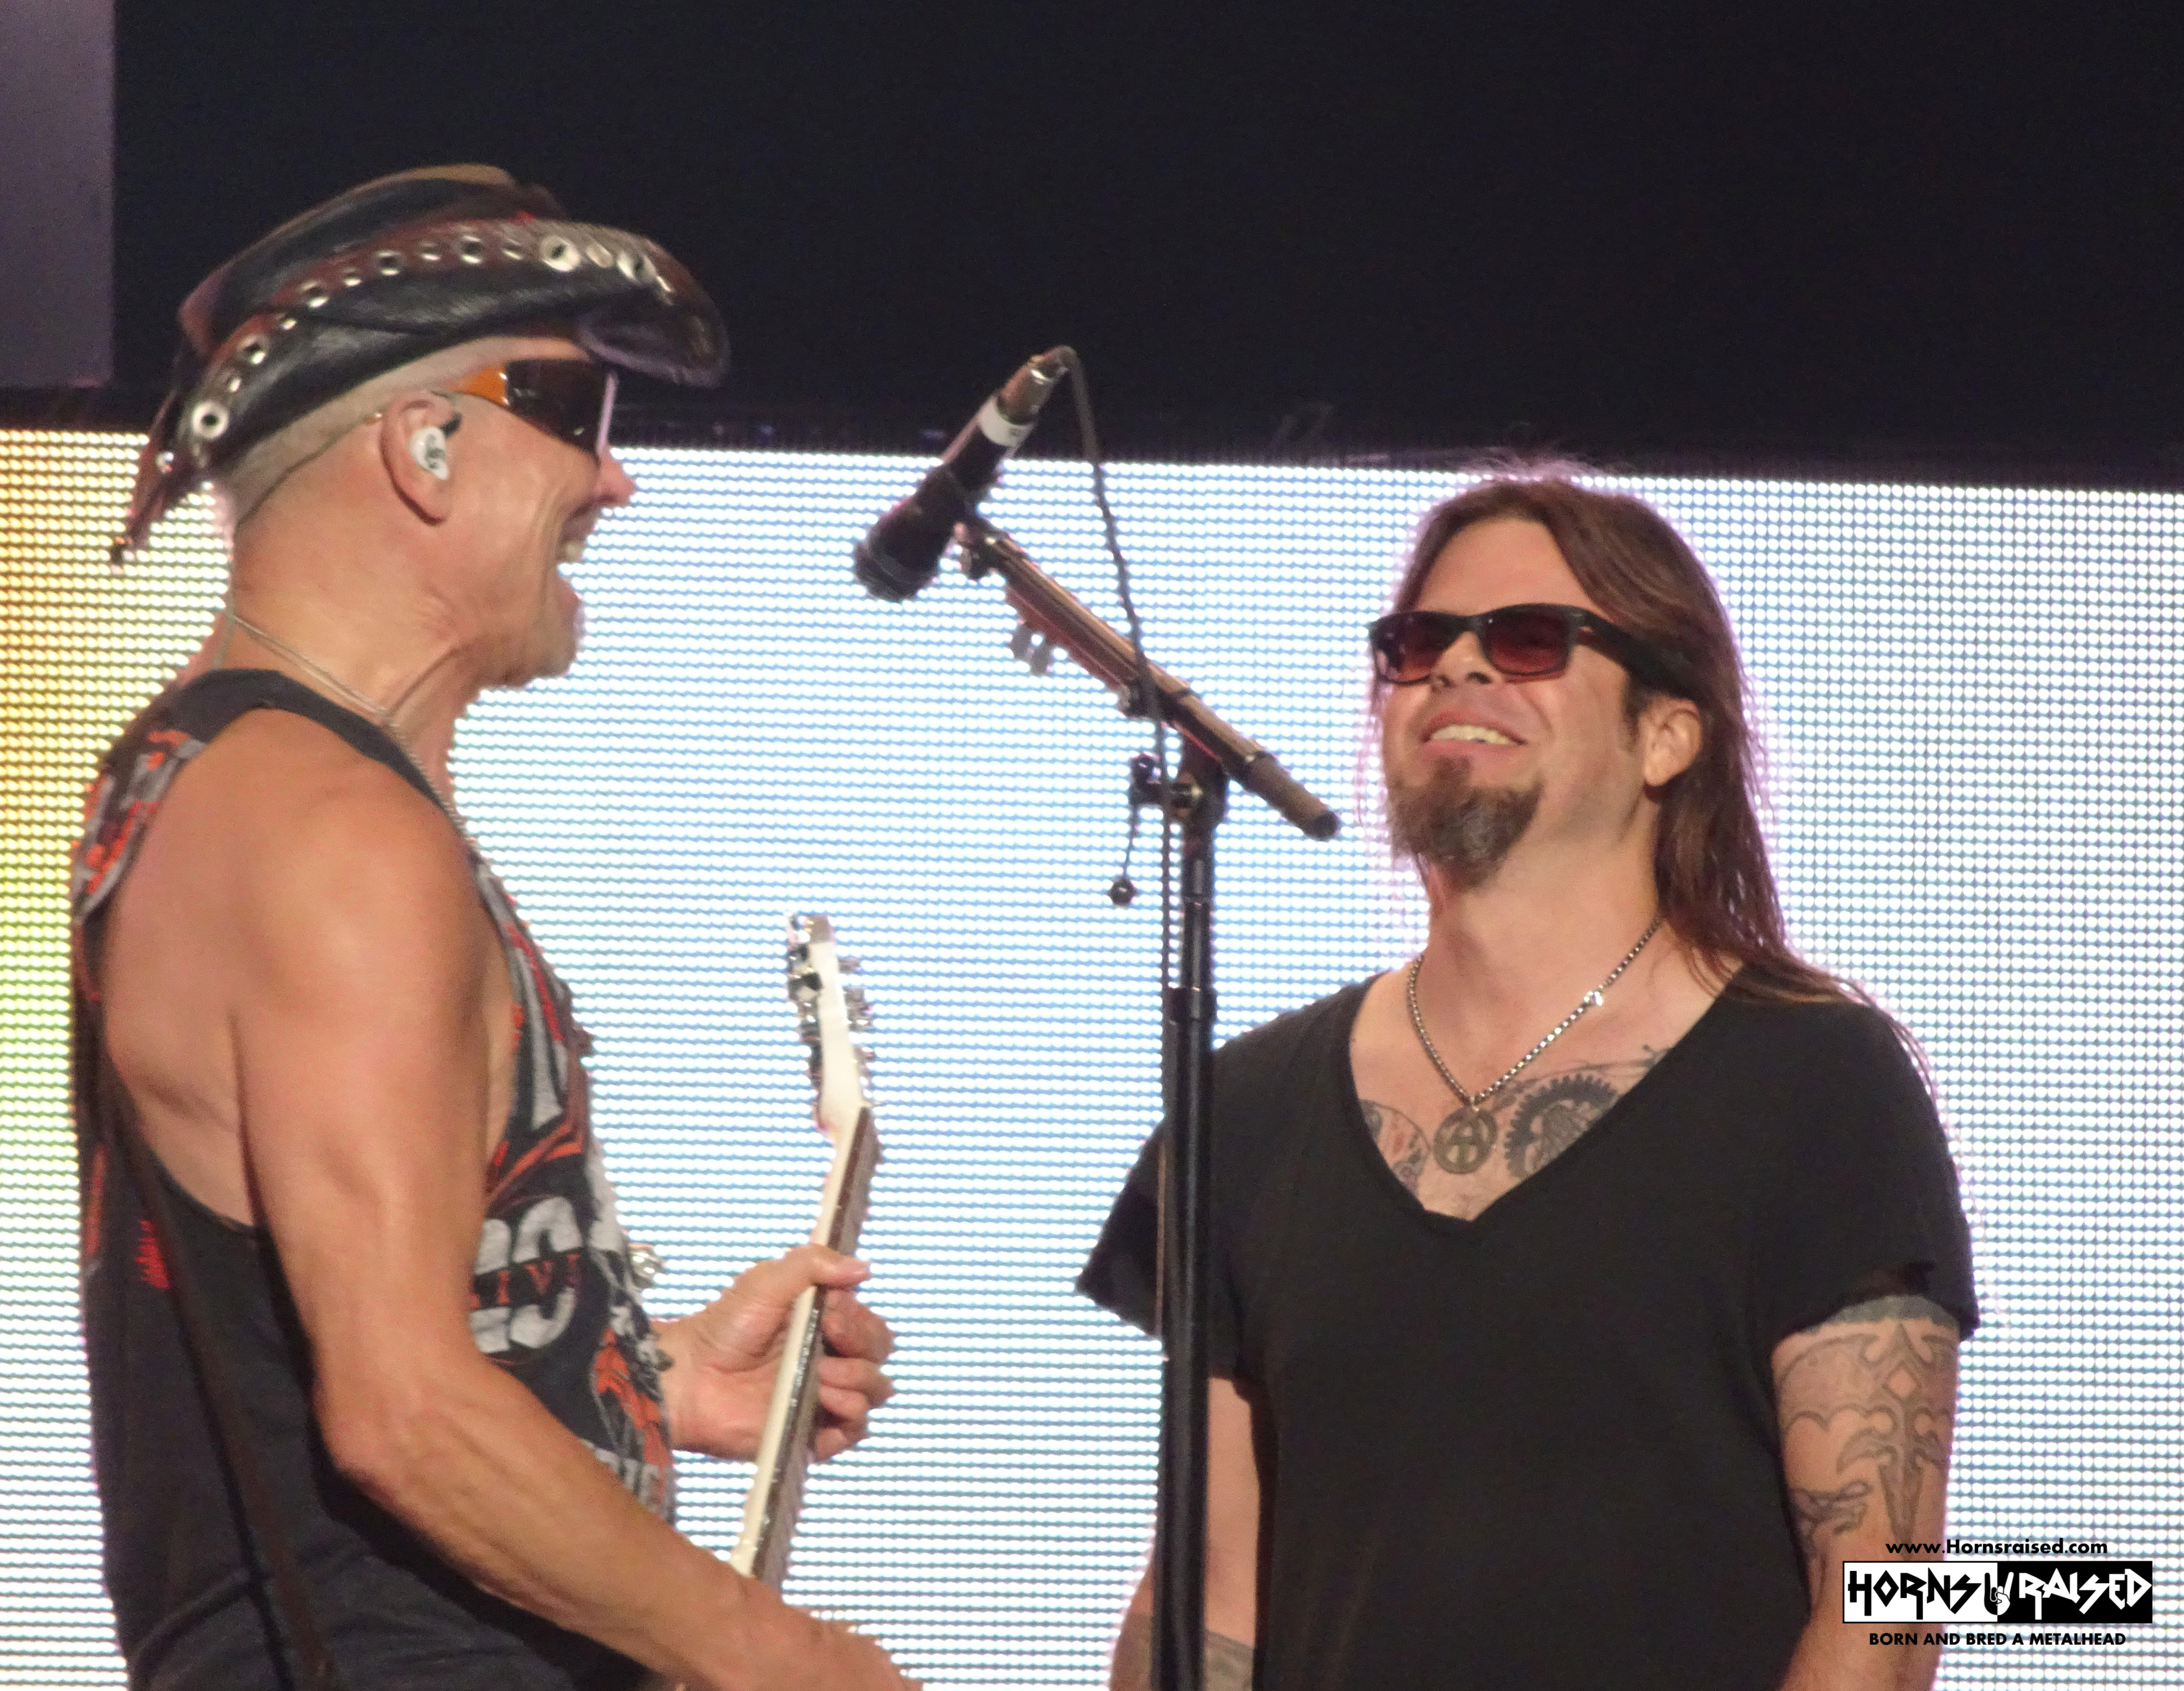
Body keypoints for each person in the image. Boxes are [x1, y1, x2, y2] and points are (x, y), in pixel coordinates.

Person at [74, 167, 913, 1690]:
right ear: (426, 445)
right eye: (578, 414)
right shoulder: (332, 831)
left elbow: (304, 1344)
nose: (613, 482)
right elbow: (402, 1415)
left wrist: (645, 1383)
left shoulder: (219, 783)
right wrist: (786, 1659)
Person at [1082, 473, 1978, 1691]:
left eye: (1526, 639)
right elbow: (1208, 1596)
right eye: (1417, 643)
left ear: (1666, 733)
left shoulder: (1812, 1079)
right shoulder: (1245, 1111)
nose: (1456, 666)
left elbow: (1885, 1604)